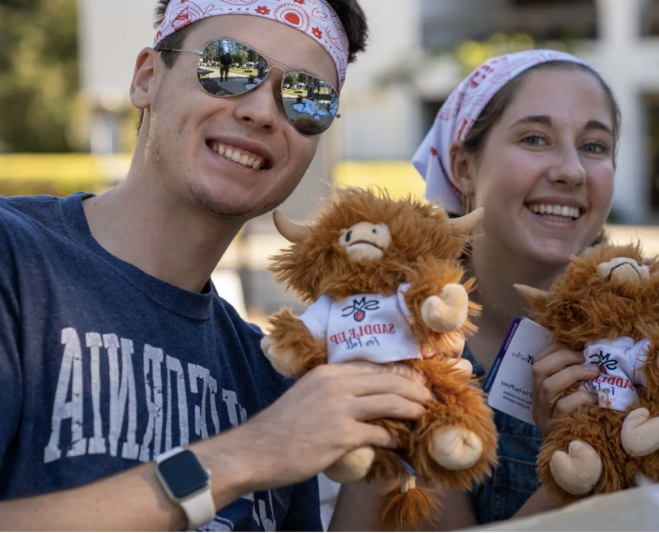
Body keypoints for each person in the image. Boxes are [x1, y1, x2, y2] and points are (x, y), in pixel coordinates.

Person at [0, 1, 439, 531]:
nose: (261, 112)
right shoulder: (15, 259)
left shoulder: (270, 377)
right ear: (146, 78)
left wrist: (390, 405)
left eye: (307, 96)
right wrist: (243, 457)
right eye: (228, 66)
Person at [330, 49, 659, 530]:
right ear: (463, 167)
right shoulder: (405, 340)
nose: (572, 170)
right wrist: (578, 472)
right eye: (534, 138)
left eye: (594, 146)